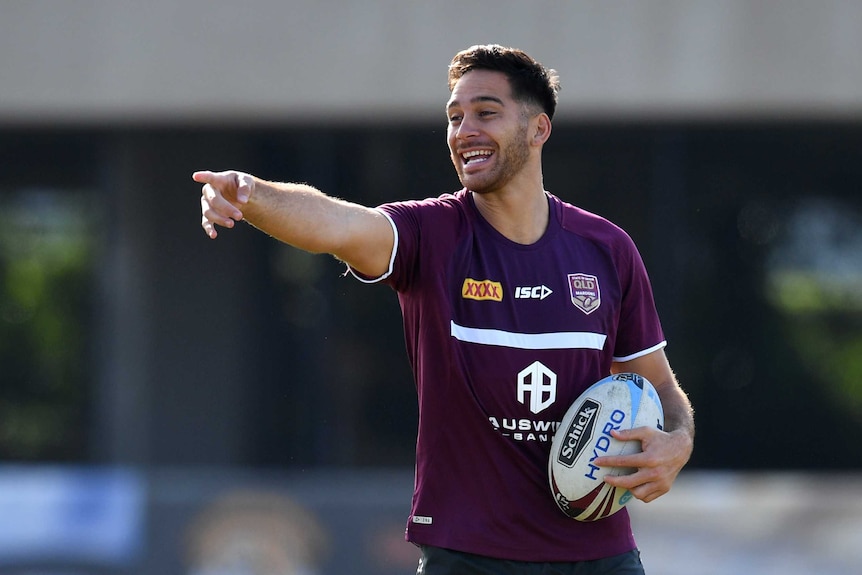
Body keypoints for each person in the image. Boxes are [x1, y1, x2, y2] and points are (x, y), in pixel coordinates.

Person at [196, 44, 694, 575]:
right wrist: (251, 195)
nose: (464, 132)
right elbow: (337, 224)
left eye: (485, 112)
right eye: (454, 118)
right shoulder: (430, 235)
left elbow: (661, 389)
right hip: (469, 556)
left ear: (538, 129)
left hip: (600, 556)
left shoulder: (607, 249)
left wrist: (678, 443)